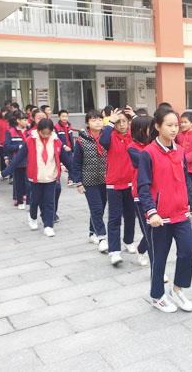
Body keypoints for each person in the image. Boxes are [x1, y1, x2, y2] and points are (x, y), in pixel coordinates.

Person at [137, 107, 192, 313]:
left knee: (189, 250)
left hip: (181, 213)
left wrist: (189, 203)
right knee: (159, 258)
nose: (173, 129)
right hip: (159, 217)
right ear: (157, 126)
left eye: (176, 125)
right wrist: (151, 211)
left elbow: (186, 180)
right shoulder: (148, 153)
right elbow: (143, 186)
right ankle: (157, 296)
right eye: (169, 125)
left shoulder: (180, 151)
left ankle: (177, 289)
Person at [0, 118, 72, 237]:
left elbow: (66, 160)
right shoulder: (30, 140)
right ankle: (32, 217)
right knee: (35, 200)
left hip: (51, 177)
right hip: (35, 177)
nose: (46, 136)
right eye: (43, 133)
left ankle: (48, 226)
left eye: (48, 133)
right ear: (38, 131)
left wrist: (76, 174)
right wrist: (5, 172)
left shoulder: (56, 141)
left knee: (49, 202)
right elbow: (18, 159)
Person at [100, 106, 137, 266]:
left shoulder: (133, 136)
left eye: (124, 121)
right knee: (114, 218)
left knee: (130, 216)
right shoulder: (110, 137)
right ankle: (114, 251)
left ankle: (128, 240)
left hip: (131, 183)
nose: (121, 125)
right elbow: (102, 141)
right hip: (114, 184)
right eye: (118, 122)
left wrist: (134, 117)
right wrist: (110, 122)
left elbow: (147, 132)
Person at [71, 110, 109, 253]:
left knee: (100, 208)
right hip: (89, 181)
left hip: (106, 179)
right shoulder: (81, 141)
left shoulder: (107, 137)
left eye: (100, 119)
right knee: (96, 208)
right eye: (94, 120)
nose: (98, 122)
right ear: (88, 123)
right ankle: (102, 238)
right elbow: (76, 163)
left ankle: (92, 232)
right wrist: (78, 182)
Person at [127, 115, 153, 268]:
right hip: (140, 194)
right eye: (150, 128)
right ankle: (158, 269)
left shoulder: (154, 145)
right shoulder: (132, 148)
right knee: (148, 230)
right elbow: (145, 162)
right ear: (141, 130)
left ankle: (141, 249)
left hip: (156, 192)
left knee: (154, 229)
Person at [3, 111, 29, 210]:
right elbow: (7, 146)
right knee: (18, 182)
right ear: (18, 120)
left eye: (26, 119)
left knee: (28, 182)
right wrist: (19, 146)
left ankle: (29, 200)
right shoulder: (10, 132)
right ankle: (19, 201)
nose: (26, 122)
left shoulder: (29, 132)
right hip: (16, 161)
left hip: (28, 160)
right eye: (24, 120)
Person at [55, 109, 75, 186]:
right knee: (59, 165)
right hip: (61, 149)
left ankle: (71, 179)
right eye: (63, 116)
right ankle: (57, 181)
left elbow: (71, 138)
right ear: (59, 117)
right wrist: (63, 146)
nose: (65, 118)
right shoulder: (56, 127)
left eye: (66, 116)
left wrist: (73, 148)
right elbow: (56, 139)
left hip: (70, 149)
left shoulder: (69, 125)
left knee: (71, 164)